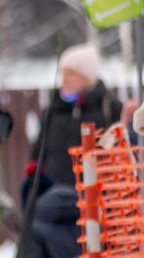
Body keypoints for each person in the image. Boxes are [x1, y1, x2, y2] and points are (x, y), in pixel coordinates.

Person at [35, 44, 121, 188]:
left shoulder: (108, 107)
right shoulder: (54, 108)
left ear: (87, 78)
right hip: (58, 193)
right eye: (63, 74)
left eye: (71, 74)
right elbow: (39, 150)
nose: (65, 80)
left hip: (99, 196)